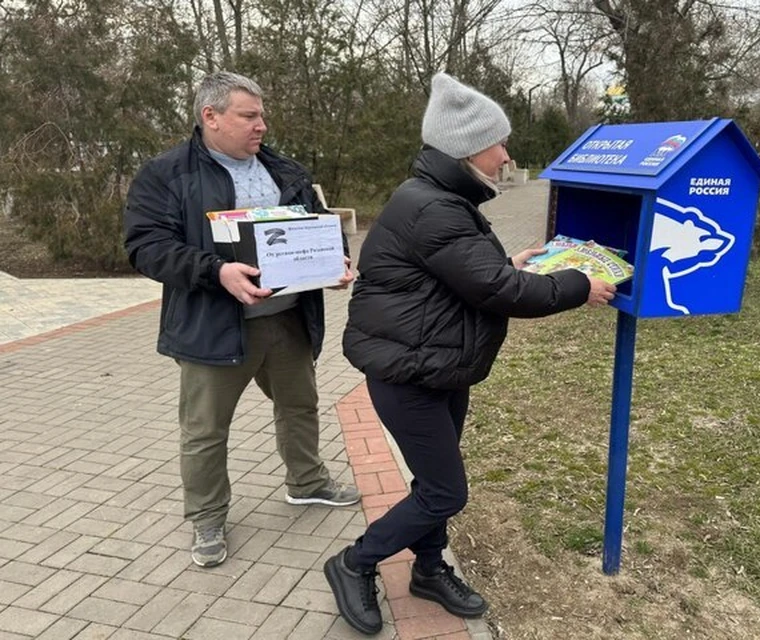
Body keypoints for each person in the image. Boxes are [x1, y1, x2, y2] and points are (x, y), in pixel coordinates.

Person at [325, 72, 617, 635]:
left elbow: (466, 276)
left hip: (437, 365)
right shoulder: (435, 207)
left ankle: (430, 569)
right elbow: (496, 293)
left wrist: (512, 262)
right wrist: (579, 285)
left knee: (432, 484)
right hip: (409, 373)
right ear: (465, 149)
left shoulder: (442, 198)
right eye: (498, 142)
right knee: (444, 490)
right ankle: (354, 562)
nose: (507, 154)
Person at [124, 71, 360, 569]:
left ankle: (308, 483)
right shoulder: (167, 174)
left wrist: (334, 261)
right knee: (205, 430)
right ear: (210, 117)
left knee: (300, 407)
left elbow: (318, 226)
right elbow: (147, 248)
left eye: (262, 115)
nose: (261, 126)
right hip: (213, 326)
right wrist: (216, 271)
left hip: (287, 319)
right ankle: (208, 518)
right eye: (249, 116)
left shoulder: (284, 170)